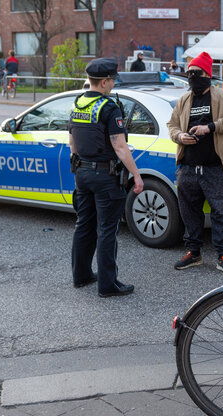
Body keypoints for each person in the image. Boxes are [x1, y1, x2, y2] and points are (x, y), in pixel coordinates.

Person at [69, 57, 144, 298]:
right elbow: (120, 147)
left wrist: (77, 165)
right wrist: (136, 175)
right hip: (105, 176)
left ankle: (80, 276)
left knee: (84, 226)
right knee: (107, 230)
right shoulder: (108, 108)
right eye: (111, 80)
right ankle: (107, 285)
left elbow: (72, 141)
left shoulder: (77, 104)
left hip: (82, 173)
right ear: (103, 82)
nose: (113, 84)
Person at [168, 52, 223, 275]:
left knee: (221, 212)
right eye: (189, 73)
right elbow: (171, 126)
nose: (191, 77)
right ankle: (194, 252)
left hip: (215, 168)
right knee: (189, 212)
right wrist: (180, 137)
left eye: (196, 73)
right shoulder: (184, 100)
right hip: (188, 168)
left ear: (207, 75)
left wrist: (209, 127)